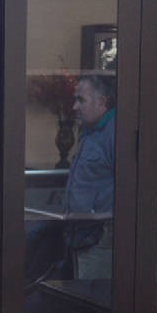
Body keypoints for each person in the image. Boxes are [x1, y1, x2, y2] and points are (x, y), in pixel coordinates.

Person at [63, 73, 116, 215]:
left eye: (81, 100)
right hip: (77, 224)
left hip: (99, 226)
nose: (75, 106)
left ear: (101, 102)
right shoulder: (89, 130)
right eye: (75, 99)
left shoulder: (115, 134)